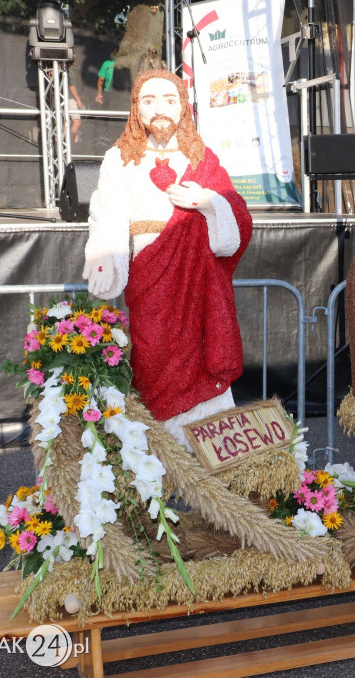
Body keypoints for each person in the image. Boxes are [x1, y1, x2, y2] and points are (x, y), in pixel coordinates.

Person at [82, 70, 253, 444]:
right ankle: (159, 448)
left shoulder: (203, 158)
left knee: (200, 351)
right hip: (150, 272)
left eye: (168, 100)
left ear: (183, 107)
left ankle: (207, 446)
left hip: (196, 281)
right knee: (153, 353)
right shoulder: (119, 158)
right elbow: (106, 212)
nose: (159, 108)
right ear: (136, 110)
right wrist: (102, 257)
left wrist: (206, 202)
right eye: (149, 100)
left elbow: (237, 212)